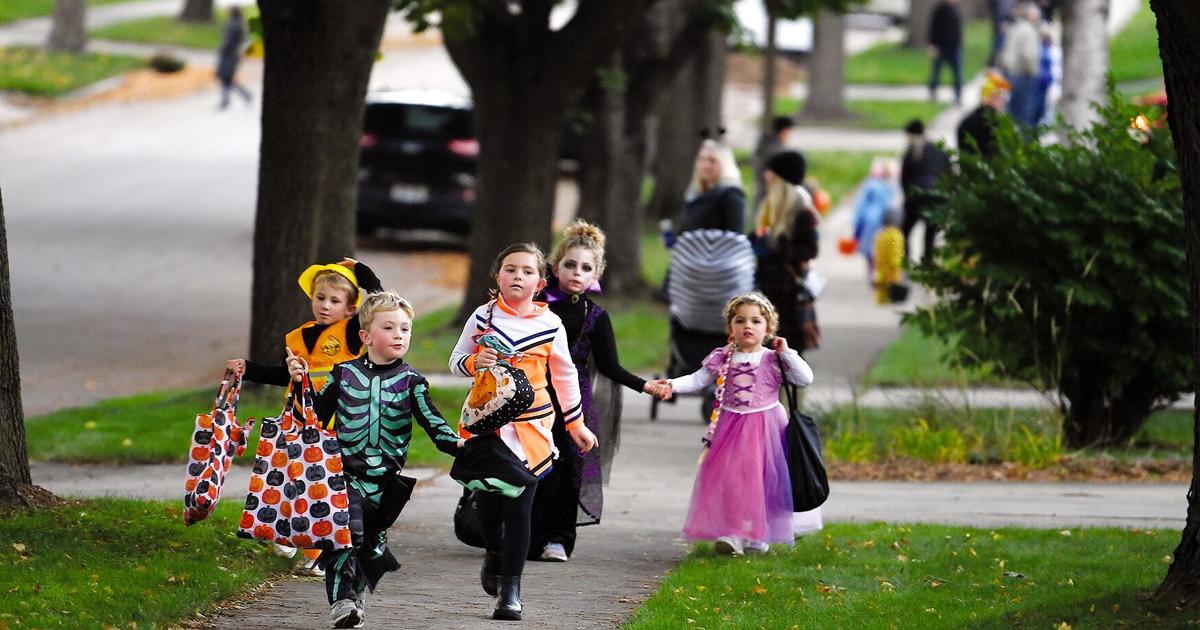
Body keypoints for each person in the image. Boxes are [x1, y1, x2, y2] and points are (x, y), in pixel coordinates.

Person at [286, 291, 464, 629]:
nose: (399, 334)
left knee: (370, 546)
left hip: (386, 483)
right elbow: (314, 417)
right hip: (342, 475)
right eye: (389, 327)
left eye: (405, 329)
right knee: (343, 536)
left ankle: (357, 590)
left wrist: (461, 446)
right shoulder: (343, 374)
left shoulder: (412, 382)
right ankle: (341, 602)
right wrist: (300, 385)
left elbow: (434, 423)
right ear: (366, 336)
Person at [449, 243, 599, 621]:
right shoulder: (482, 317)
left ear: (540, 281)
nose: (518, 277)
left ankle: (511, 589)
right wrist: (472, 361)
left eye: (527, 271)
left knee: (520, 508)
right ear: (497, 277)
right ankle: (494, 554)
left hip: (533, 427)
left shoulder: (550, 323)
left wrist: (576, 423)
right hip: (487, 426)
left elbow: (565, 376)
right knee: (488, 505)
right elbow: (454, 362)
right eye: (511, 270)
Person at [226, 258, 382, 577]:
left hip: (335, 421)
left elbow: (378, 305)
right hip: (296, 418)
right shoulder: (298, 336)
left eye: (334, 301)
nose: (325, 306)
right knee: (288, 477)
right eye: (320, 298)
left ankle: (319, 551)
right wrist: (249, 367)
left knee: (321, 485)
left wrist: (365, 275)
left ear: (351, 308)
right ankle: (286, 532)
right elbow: (285, 374)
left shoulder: (354, 333)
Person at [528, 221, 668, 563]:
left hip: (573, 400)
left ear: (597, 274)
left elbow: (609, 366)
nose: (577, 272)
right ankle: (520, 534)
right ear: (555, 266)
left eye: (586, 268)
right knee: (529, 463)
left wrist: (644, 385)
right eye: (570, 264)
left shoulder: (595, 316)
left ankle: (557, 539)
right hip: (530, 395)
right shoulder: (535, 305)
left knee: (566, 468)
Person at [652, 292, 816, 555]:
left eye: (755, 321)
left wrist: (788, 353)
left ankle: (759, 534)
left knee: (762, 480)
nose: (747, 326)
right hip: (730, 427)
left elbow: (804, 378)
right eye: (740, 321)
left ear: (768, 328)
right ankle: (733, 532)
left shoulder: (774, 359)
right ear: (730, 327)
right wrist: (670, 385)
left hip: (766, 427)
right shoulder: (723, 356)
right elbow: (697, 379)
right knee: (732, 480)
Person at [752, 151, 821, 353]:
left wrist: (777, 248)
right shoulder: (770, 207)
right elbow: (759, 237)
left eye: (771, 172)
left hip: (789, 295)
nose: (766, 176)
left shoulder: (802, 211)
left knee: (789, 355)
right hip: (767, 290)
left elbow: (810, 249)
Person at [900, 119, 951, 263]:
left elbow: (904, 180)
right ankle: (928, 266)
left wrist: (906, 199)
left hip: (916, 196)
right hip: (937, 197)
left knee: (905, 231)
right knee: (930, 235)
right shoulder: (940, 150)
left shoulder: (911, 152)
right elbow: (949, 174)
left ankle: (906, 263)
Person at [680, 138, 746, 235]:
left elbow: (735, 235)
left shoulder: (731, 194)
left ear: (724, 164)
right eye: (702, 159)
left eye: (712, 160)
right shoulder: (694, 194)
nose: (706, 165)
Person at [851, 158, 900, 278]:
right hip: (889, 222)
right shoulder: (895, 187)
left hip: (870, 221)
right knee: (886, 247)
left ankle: (872, 270)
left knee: (869, 248)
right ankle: (883, 270)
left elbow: (861, 206)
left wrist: (856, 223)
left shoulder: (871, 185)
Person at [998, 2, 1042, 129]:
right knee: (1026, 114)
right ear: (1030, 15)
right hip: (1023, 75)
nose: (1038, 17)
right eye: (1036, 15)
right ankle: (1025, 143)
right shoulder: (1028, 30)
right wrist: (1034, 73)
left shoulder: (1016, 26)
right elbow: (1029, 55)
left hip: (1010, 73)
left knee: (1012, 112)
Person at [957, 72, 1011, 158]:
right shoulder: (994, 124)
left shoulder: (967, 121)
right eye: (999, 96)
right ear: (987, 97)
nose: (1003, 101)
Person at [752, 116, 796, 208]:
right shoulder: (775, 150)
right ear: (783, 131)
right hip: (769, 192)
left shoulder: (769, 144)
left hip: (763, 189)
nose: (790, 135)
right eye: (789, 131)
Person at [216, 6, 253, 109]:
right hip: (236, 54)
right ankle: (229, 99)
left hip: (229, 55)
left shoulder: (232, 25)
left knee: (225, 77)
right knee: (227, 78)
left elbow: (228, 41)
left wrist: (221, 50)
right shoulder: (241, 24)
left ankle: (229, 99)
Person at [927, 0, 964, 105]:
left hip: (954, 48)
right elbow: (933, 27)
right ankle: (932, 92)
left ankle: (958, 97)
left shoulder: (956, 9)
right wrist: (932, 44)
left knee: (957, 74)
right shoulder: (939, 9)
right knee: (936, 73)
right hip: (941, 46)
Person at [873, 207, 907, 304]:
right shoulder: (896, 235)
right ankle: (893, 299)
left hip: (881, 267)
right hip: (893, 270)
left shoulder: (880, 234)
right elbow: (896, 253)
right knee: (894, 287)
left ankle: (881, 300)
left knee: (882, 288)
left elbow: (877, 250)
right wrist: (900, 265)